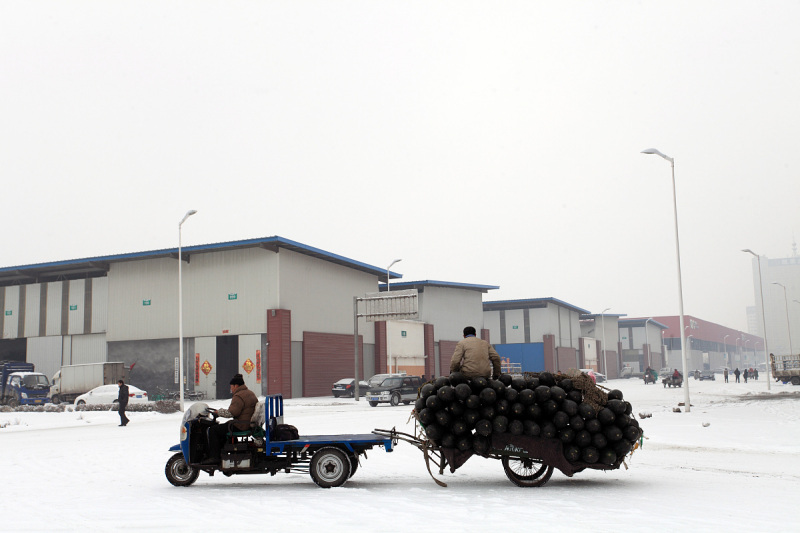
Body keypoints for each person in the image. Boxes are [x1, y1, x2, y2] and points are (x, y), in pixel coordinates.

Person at [203, 374, 259, 465]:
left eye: (231, 386)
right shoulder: (249, 393)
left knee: (213, 430)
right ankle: (223, 451)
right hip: (247, 423)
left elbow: (232, 413)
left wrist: (218, 412)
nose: (231, 389)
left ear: (236, 386)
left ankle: (215, 457)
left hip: (241, 425)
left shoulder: (238, 396)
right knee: (222, 428)